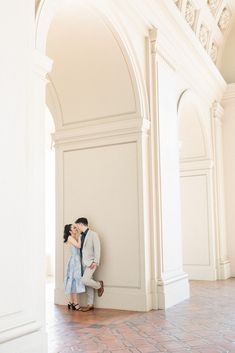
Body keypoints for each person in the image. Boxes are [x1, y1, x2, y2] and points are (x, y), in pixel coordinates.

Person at [75, 217, 104, 312]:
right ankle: (90, 304)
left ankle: (99, 285)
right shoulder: (80, 236)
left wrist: (96, 261)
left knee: (85, 280)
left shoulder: (93, 234)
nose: (77, 228)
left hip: (91, 262)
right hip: (83, 262)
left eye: (77, 225)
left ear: (81, 224)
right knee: (88, 284)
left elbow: (97, 248)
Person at [63, 223, 85, 311]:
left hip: (76, 261)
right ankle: (75, 303)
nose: (76, 229)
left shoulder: (73, 238)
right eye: (74, 228)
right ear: (70, 231)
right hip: (74, 262)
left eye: (76, 227)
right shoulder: (70, 237)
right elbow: (79, 246)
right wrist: (80, 236)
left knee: (73, 281)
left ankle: (71, 302)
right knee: (74, 281)